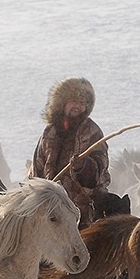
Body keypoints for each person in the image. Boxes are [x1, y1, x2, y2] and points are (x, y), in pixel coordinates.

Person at [30, 76, 111, 227]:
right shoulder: (49, 133)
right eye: (74, 101)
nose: (78, 106)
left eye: (82, 103)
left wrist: (83, 166)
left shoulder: (92, 132)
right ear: (62, 103)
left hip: (83, 213)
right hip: (51, 212)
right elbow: (36, 171)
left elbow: (100, 169)